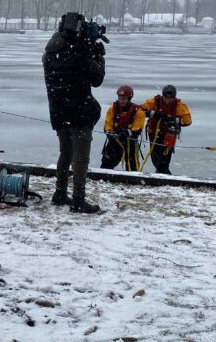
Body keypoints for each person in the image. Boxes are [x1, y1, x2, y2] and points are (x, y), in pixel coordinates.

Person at [43, 12, 106, 214]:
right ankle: (78, 200)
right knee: (80, 159)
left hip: (59, 110)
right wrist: (98, 55)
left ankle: (60, 193)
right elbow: (97, 78)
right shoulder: (79, 52)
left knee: (65, 152)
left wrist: (87, 47)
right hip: (79, 110)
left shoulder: (51, 51)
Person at [141, 85, 192, 175]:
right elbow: (139, 111)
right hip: (154, 132)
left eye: (170, 98)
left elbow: (187, 120)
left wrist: (173, 119)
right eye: (166, 97)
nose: (168, 100)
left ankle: (164, 176)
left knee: (164, 159)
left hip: (169, 134)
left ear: (174, 97)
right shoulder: (154, 101)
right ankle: (164, 176)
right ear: (162, 96)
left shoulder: (180, 106)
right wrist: (154, 114)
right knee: (155, 158)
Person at [100, 85, 146, 171]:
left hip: (130, 141)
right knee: (107, 161)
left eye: (123, 99)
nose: (121, 101)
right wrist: (108, 131)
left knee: (132, 165)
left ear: (129, 98)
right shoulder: (113, 108)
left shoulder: (138, 111)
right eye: (120, 98)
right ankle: (104, 176)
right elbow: (108, 122)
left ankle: (133, 180)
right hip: (115, 139)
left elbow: (138, 127)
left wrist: (127, 133)